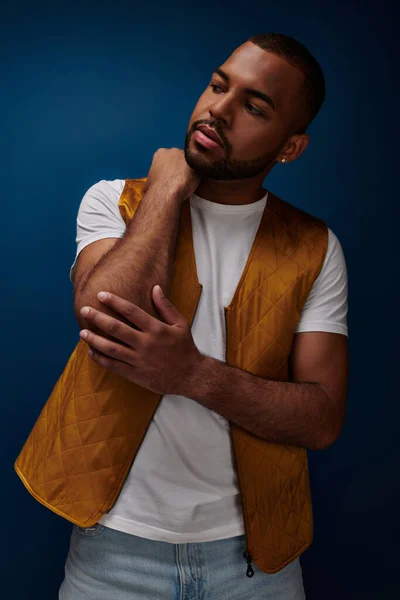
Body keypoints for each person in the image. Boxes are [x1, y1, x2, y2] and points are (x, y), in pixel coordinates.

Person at [16, 32, 348, 599]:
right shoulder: (114, 201)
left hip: (256, 565)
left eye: (253, 106)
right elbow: (99, 314)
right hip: (111, 555)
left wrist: (192, 374)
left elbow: (321, 418)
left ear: (290, 147)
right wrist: (167, 190)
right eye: (219, 85)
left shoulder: (315, 247)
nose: (218, 109)